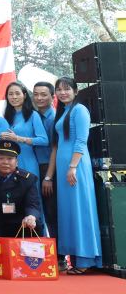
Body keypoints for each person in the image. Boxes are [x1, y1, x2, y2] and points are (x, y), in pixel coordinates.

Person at [46, 77, 102, 273]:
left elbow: (81, 141)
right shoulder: (63, 112)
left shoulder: (79, 110)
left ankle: (85, 260)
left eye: (67, 89)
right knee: (69, 211)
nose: (63, 93)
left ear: (76, 91)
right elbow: (57, 145)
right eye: (59, 90)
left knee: (80, 210)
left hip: (76, 166)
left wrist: (73, 166)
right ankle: (75, 258)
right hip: (64, 168)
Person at [2, 81, 48, 177]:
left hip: (28, 162)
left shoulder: (33, 115)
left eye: (17, 93)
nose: (14, 97)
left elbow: (44, 140)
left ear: (25, 95)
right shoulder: (6, 117)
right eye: (10, 94)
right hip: (8, 164)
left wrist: (18, 138)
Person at [31, 80, 57, 237]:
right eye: (35, 94)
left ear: (52, 97)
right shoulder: (34, 116)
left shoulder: (53, 118)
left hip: (48, 167)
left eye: (43, 94)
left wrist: (49, 176)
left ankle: (58, 256)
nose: (39, 98)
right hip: (35, 166)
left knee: (51, 211)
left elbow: (55, 148)